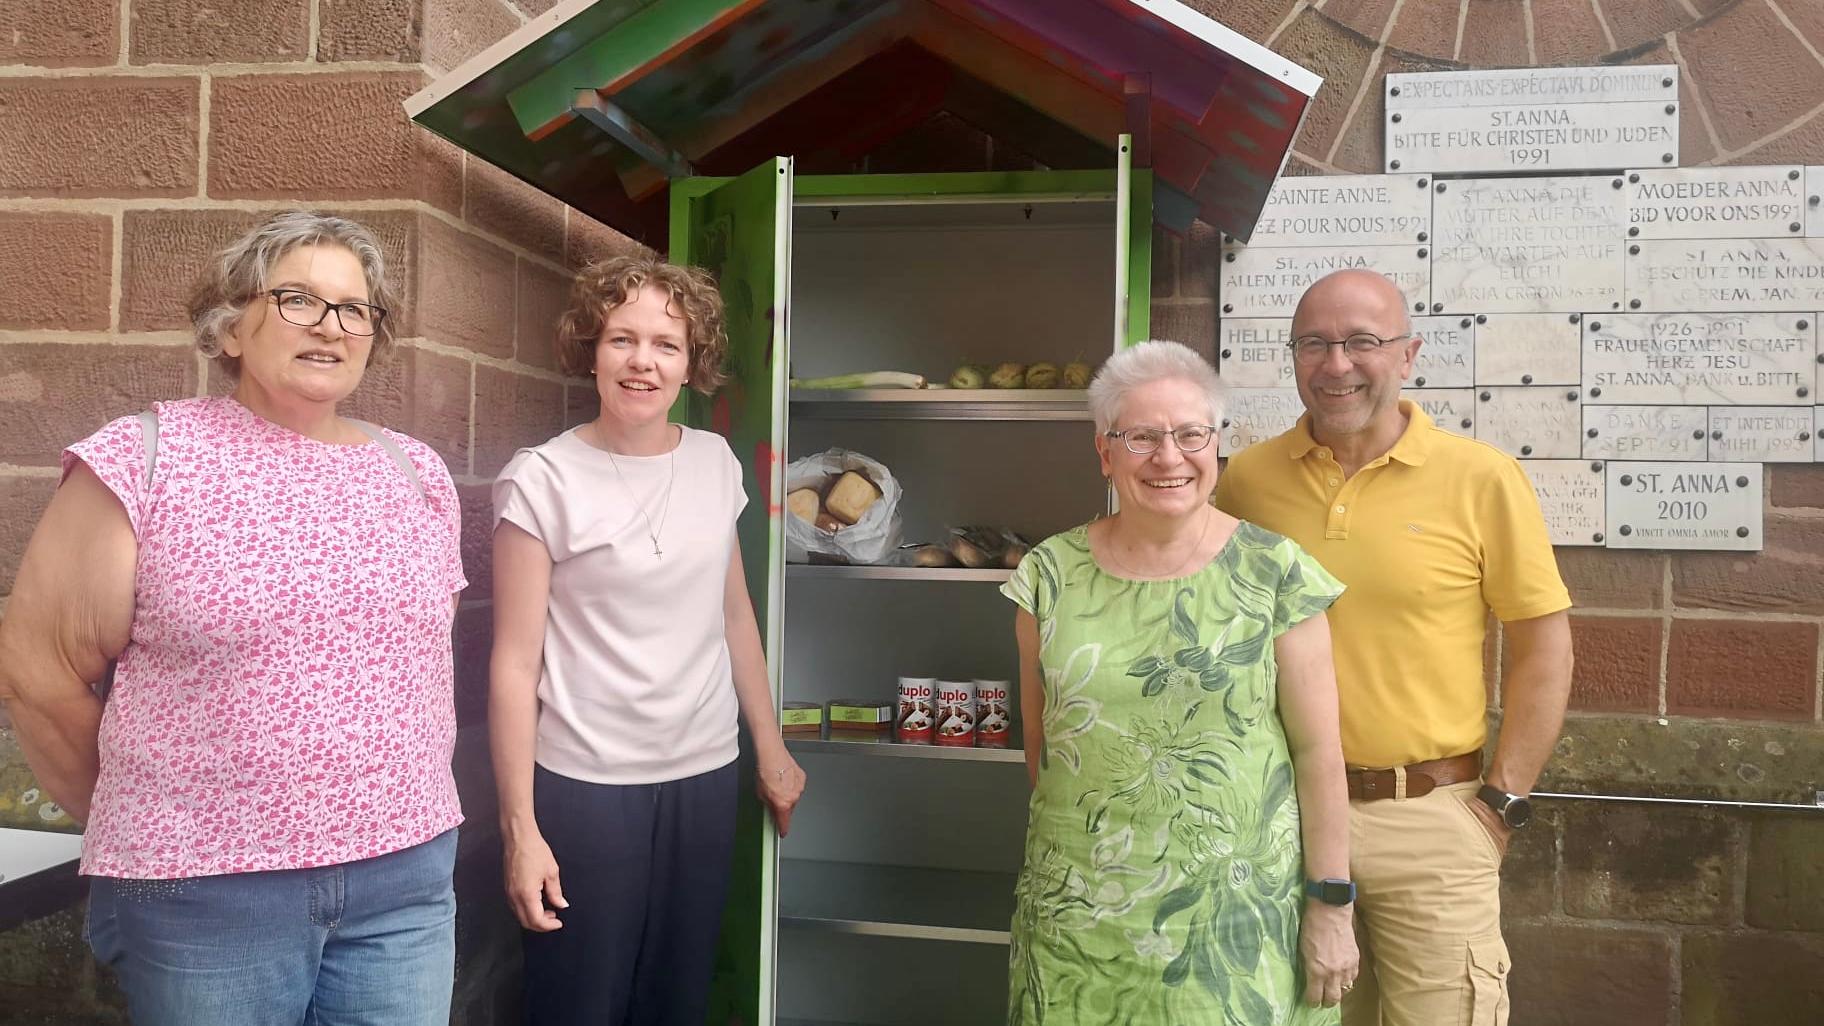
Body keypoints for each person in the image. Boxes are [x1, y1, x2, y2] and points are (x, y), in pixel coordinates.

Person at [0, 212, 468, 1025]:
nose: (331, 326)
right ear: (231, 326)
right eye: (298, 299)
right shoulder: (146, 458)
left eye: (355, 309)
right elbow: (37, 669)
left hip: (406, 879)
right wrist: (145, 827)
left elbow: (419, 664)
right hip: (209, 897)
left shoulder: (414, 471)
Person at [1215, 269, 1575, 1026]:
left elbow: (1544, 646)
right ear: (1292, 357)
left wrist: (1501, 804)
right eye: (1313, 343)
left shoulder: (1481, 478)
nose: (1335, 363)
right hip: (1283, 822)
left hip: (1432, 823)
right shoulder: (1246, 481)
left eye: (1361, 342)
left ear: (1408, 355)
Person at [1001, 340, 1358, 1024]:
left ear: (1216, 447)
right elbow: (1043, 746)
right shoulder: (1049, 575)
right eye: (1141, 437)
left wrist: (1330, 905)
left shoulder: (1275, 572)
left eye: (1191, 434)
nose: (1169, 457)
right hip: (1075, 926)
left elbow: (1318, 755)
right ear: (1105, 453)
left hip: (1231, 929)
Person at [489, 253, 805, 1026]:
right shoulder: (542, 479)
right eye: (621, 339)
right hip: (586, 786)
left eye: (666, 344)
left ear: (692, 362)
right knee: (579, 1000)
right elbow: (512, 663)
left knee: (677, 995)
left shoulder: (713, 463)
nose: (643, 361)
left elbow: (732, 616)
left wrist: (770, 749)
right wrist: (521, 831)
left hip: (704, 773)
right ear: (589, 350)